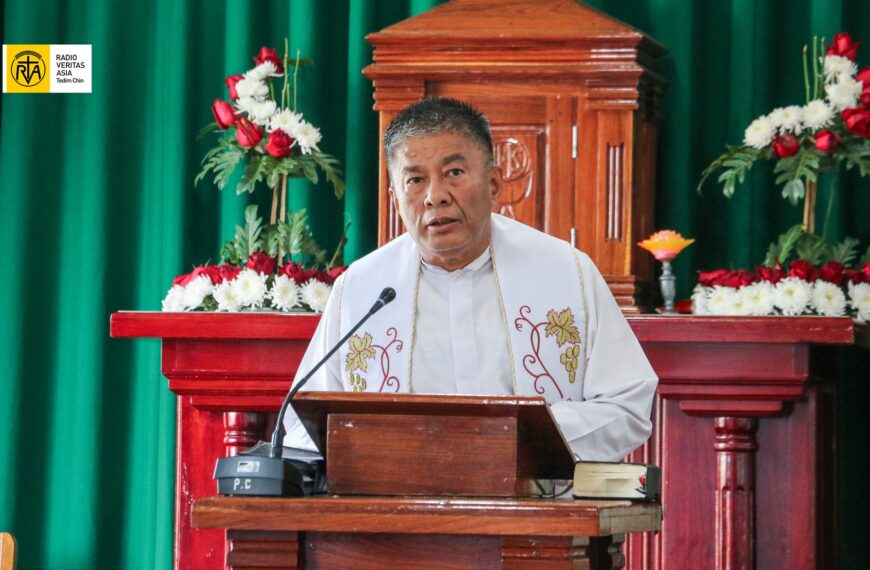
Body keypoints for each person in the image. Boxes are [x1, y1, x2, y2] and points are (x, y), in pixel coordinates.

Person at [283, 97, 657, 462]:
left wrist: (510, 439)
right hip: (396, 500)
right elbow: (303, 426)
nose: (435, 197)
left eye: (454, 173)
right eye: (415, 180)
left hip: (536, 499)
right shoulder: (362, 289)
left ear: (493, 183)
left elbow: (626, 407)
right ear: (396, 199)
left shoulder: (566, 273)